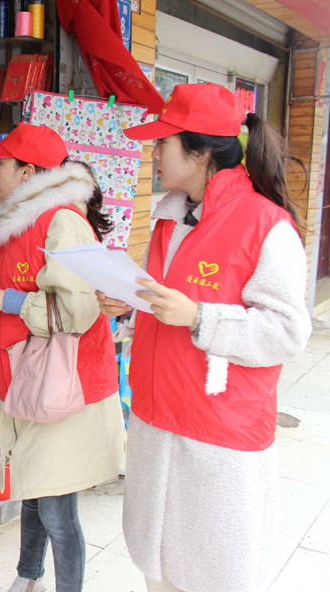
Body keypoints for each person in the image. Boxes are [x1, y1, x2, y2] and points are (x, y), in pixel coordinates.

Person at [98, 83, 311, 592]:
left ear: (199, 152)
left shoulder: (266, 224)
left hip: (216, 436)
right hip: (156, 422)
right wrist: (130, 308)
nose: (154, 154)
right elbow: (163, 306)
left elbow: (288, 331)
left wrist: (199, 317)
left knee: (212, 574)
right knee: (159, 572)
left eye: (162, 143)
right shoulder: (169, 219)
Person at [0, 124, 125, 592]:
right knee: (34, 489)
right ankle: (27, 576)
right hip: (29, 379)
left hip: (65, 384)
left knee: (55, 506)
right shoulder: (15, 223)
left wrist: (6, 302)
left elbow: (78, 309)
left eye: (1, 163)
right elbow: (8, 275)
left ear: (28, 172)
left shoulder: (62, 222)